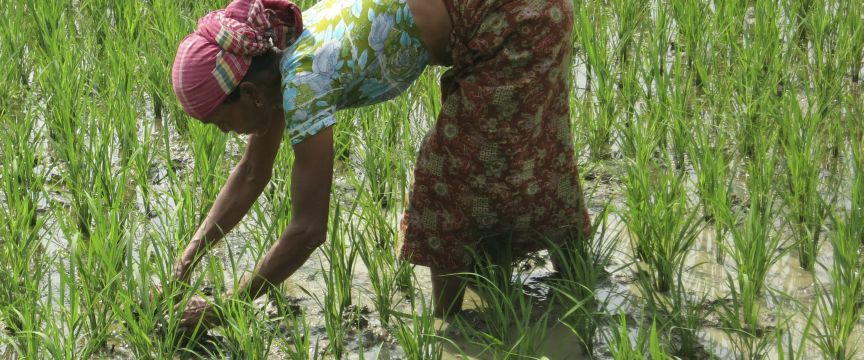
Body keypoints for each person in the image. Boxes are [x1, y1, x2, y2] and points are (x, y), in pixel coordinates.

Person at [165, 0, 591, 333]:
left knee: (446, 181)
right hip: (509, 17)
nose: (222, 133)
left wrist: (225, 308)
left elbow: (308, 230)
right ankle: (576, 274)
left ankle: (450, 331)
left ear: (252, 94)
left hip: (516, 21)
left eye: (218, 121)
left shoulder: (304, 79)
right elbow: (251, 175)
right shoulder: (279, 61)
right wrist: (188, 258)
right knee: (523, 152)